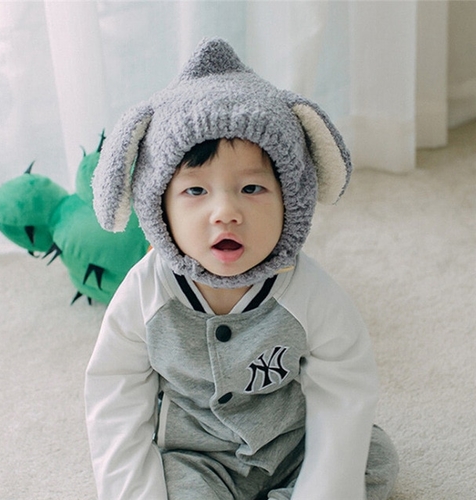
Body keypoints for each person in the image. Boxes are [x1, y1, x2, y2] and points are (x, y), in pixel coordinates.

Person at [85, 38, 399, 500]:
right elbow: (115, 398)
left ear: (291, 200)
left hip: (292, 443)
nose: (226, 213)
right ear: (159, 208)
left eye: (252, 188)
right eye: (195, 192)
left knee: (372, 458)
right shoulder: (145, 294)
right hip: (198, 457)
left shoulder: (309, 292)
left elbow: (344, 392)